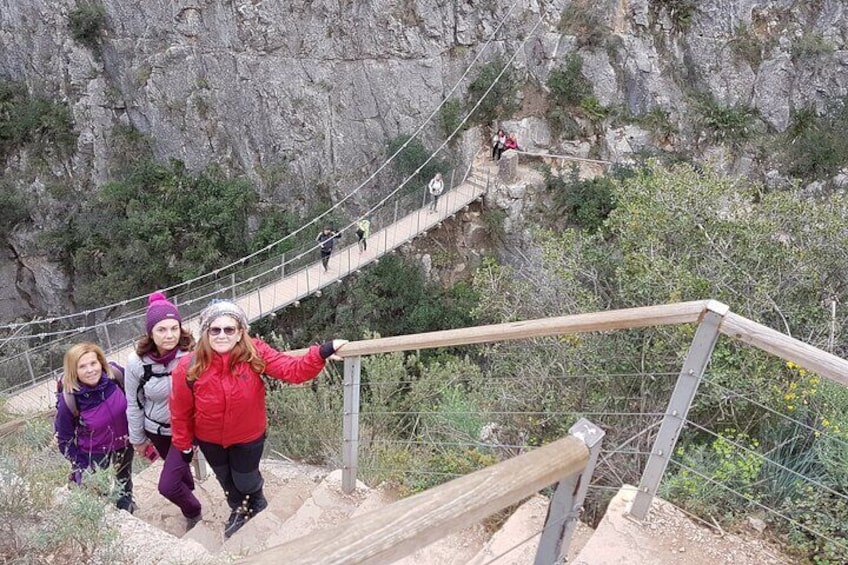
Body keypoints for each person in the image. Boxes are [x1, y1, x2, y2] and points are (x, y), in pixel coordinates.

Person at [169, 300, 347, 538]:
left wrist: (322, 352)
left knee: (245, 479)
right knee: (226, 481)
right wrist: (183, 445)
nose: (222, 335)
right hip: (210, 439)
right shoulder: (188, 366)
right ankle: (239, 510)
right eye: (215, 329)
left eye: (229, 329)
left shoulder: (254, 353)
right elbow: (180, 410)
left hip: (248, 437)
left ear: (240, 332)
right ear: (206, 333)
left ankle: (256, 500)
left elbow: (291, 370)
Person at [125, 292, 202, 530]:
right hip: (157, 430)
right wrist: (138, 439)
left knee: (167, 485)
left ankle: (193, 511)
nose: (169, 335)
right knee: (179, 474)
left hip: (185, 431)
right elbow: (134, 403)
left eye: (174, 328)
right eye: (161, 330)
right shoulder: (136, 363)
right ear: (150, 333)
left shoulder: (192, 354)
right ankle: (187, 494)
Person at [55, 342, 135, 513]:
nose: (90, 370)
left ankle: (127, 511)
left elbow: (136, 398)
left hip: (124, 442)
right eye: (82, 366)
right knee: (99, 489)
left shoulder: (116, 376)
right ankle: (105, 520)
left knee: (124, 479)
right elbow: (64, 439)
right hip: (94, 452)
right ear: (73, 371)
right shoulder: (69, 400)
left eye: (93, 363)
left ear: (101, 362)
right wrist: (80, 463)